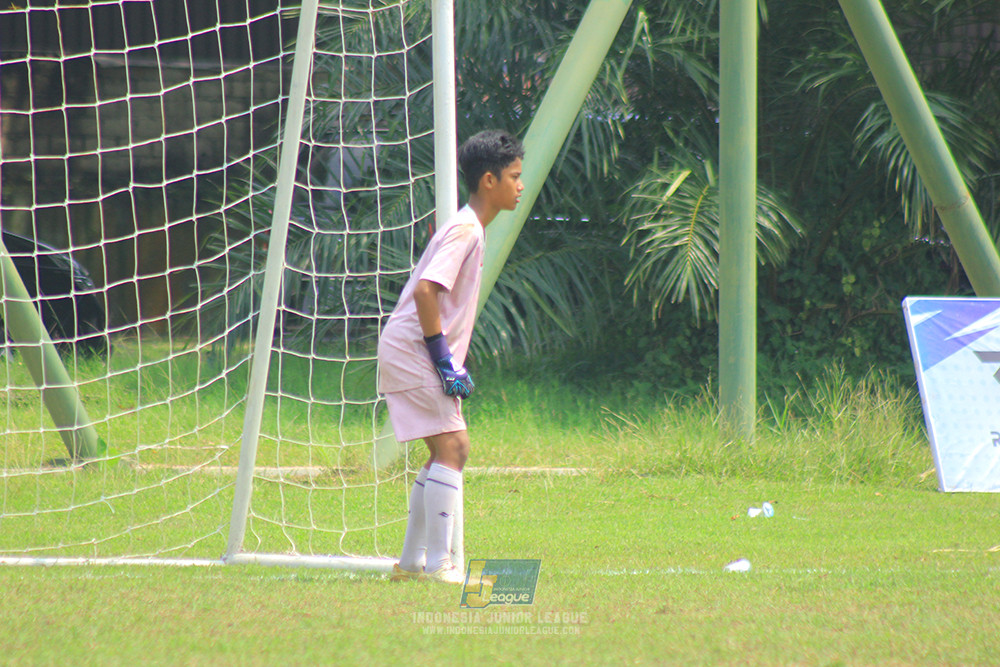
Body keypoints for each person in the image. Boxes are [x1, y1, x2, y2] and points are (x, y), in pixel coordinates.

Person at [377, 130, 524, 584]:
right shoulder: (466, 229)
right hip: (414, 350)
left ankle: (410, 564)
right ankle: (441, 566)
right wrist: (443, 360)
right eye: (514, 176)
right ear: (488, 180)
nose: (520, 185)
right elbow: (426, 291)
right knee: (455, 447)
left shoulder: (470, 227)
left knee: (441, 452)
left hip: (408, 348)